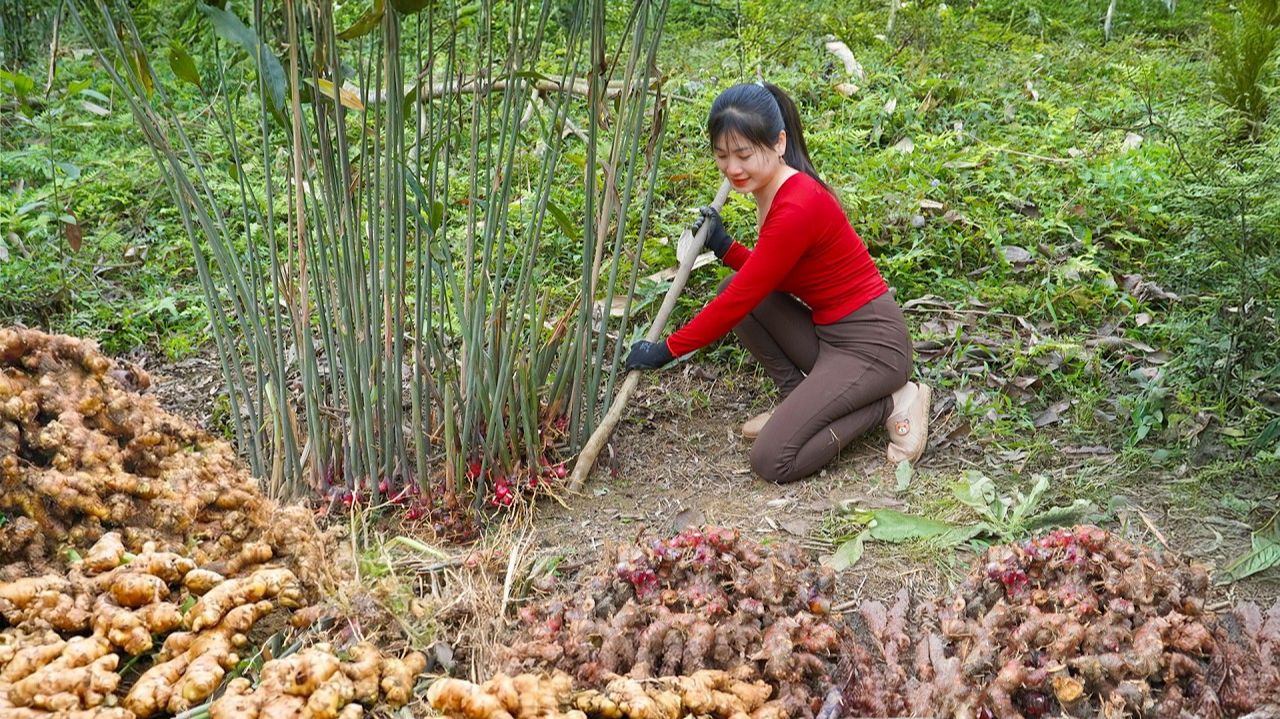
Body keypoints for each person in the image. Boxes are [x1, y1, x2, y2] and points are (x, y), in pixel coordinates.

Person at [624, 81, 932, 484]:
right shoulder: (773, 188)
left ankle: (891, 401)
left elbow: (740, 297)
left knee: (771, 460)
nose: (732, 168)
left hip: (873, 350)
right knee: (735, 292)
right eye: (721, 156)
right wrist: (726, 247)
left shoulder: (797, 204)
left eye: (744, 154)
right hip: (831, 338)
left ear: (779, 141)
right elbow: (772, 277)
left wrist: (666, 350)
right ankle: (797, 401)